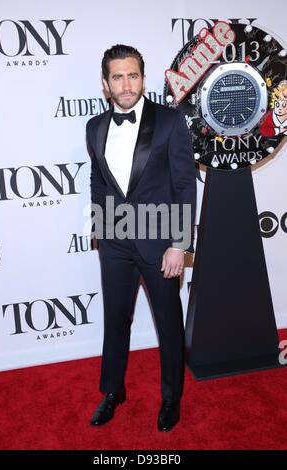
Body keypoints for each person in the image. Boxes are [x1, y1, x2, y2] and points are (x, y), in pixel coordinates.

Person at [86, 44, 196, 432]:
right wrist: (100, 228)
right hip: (115, 243)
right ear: (106, 84)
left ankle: (171, 398)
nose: (126, 84)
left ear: (143, 79)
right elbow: (98, 180)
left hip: (160, 242)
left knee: (168, 323)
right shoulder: (95, 127)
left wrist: (179, 245)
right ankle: (112, 391)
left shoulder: (169, 121)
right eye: (118, 76)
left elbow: (185, 184)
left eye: (133, 75)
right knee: (115, 319)